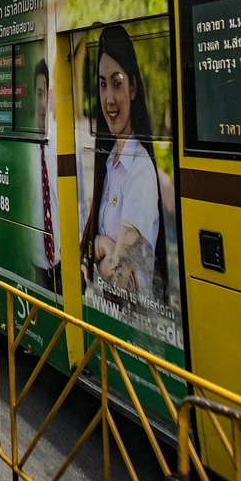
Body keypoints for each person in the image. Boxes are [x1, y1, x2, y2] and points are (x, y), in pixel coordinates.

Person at [80, 25, 168, 304]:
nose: (108, 98)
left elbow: (124, 282)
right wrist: (104, 246)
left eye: (117, 83)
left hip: (135, 329)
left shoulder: (140, 170)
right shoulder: (108, 163)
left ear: (133, 88)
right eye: (103, 83)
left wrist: (100, 246)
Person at [29, 58, 61, 295]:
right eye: (37, 93)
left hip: (62, 265)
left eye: (45, 94)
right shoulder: (25, 153)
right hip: (34, 267)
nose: (42, 103)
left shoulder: (59, 147)